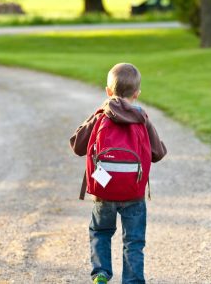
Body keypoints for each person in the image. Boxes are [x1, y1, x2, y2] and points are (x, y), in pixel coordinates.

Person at [70, 63, 167, 284]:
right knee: (133, 241)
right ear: (137, 94)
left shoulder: (101, 116)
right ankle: (132, 280)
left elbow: (77, 146)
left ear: (108, 91)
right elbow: (158, 153)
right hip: (134, 193)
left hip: (104, 191)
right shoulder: (142, 118)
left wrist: (94, 117)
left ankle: (101, 273)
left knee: (101, 232)